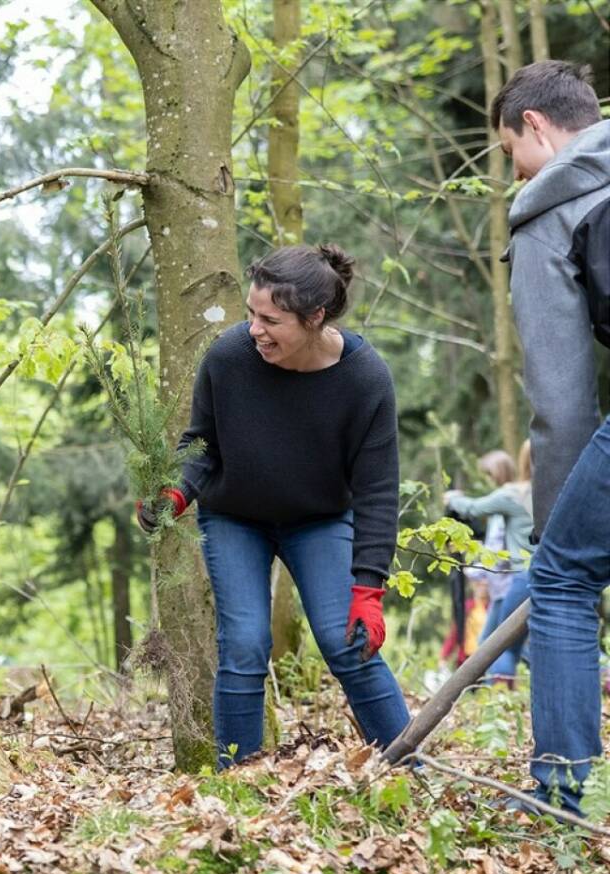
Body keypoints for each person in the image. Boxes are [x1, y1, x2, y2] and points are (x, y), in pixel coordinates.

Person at [139, 243, 411, 768]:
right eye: (250, 314)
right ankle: (239, 782)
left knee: (347, 641)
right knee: (243, 644)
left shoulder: (365, 379)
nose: (255, 329)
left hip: (320, 520)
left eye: (271, 319)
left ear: (315, 317)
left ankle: (409, 768)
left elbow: (378, 489)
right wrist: (174, 491)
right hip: (236, 516)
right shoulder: (229, 357)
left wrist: (369, 589)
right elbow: (203, 444)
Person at [492, 60, 610, 813]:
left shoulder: (550, 211)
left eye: (511, 152)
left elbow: (563, 401)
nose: (515, 171)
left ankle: (558, 792)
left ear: (537, 125)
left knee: (563, 578)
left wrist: (554, 521)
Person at [442, 443, 533, 685]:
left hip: (519, 578)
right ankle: (603, 672)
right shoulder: (556, 492)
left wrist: (453, 499)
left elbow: (473, 508)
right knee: (505, 642)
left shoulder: (515, 494)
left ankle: (495, 699)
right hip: (550, 574)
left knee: (502, 646)